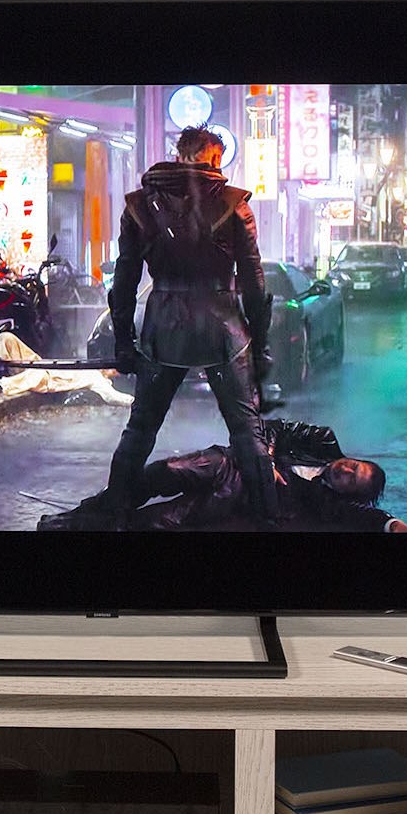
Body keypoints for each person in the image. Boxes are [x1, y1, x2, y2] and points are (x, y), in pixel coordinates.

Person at [98, 126, 280, 528]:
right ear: (212, 158)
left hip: (164, 325)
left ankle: (113, 513)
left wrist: (124, 341)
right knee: (246, 431)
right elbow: (254, 282)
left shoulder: (139, 206)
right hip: (223, 326)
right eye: (217, 160)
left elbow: (124, 281)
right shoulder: (234, 204)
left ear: (179, 156)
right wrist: (261, 343)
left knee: (141, 427)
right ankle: (269, 518)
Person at [39, 418, 407, 532]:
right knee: (161, 473)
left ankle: (69, 527)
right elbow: (271, 427)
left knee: (157, 522)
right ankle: (83, 511)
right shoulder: (323, 440)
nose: (346, 472)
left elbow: (365, 517)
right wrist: (265, 460)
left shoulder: (327, 502)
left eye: (351, 481)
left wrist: (391, 524)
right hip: (230, 462)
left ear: (347, 492)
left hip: (235, 495)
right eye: (354, 466)